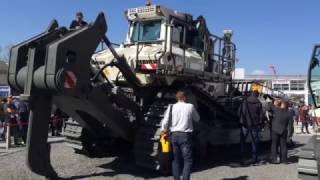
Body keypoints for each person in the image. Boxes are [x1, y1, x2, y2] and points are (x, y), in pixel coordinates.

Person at [161, 90, 200, 180]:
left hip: (174, 136)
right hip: (185, 136)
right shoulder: (190, 106)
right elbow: (197, 119)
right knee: (188, 160)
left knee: (175, 160)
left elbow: (165, 121)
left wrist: (163, 131)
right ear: (185, 98)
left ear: (177, 98)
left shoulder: (171, 107)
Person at [238, 90, 264, 164]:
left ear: (251, 94)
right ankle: (254, 158)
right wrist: (260, 122)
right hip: (254, 124)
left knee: (243, 141)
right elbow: (261, 115)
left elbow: (240, 111)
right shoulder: (258, 103)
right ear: (257, 95)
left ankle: (242, 157)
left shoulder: (244, 102)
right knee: (255, 141)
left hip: (244, 124)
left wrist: (241, 120)